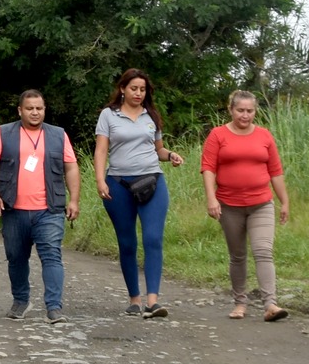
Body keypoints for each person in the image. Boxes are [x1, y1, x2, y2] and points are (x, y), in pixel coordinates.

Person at [94, 68, 186, 319]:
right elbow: (101, 150)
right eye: (134, 88)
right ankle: (134, 299)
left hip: (152, 181)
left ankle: (153, 301)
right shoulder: (108, 115)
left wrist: (171, 155)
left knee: (153, 238)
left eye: (143, 89)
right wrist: (100, 180)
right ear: (122, 89)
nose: (138, 93)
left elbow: (159, 150)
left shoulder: (151, 115)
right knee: (127, 243)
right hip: (118, 184)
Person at [0, 89, 80, 322]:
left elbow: (71, 167)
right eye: (29, 108)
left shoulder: (58, 135)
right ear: (20, 110)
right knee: (16, 258)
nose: (35, 112)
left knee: (52, 256)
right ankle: (20, 301)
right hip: (13, 209)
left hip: (49, 210)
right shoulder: (3, 132)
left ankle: (54, 307)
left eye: (39, 108)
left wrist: (74, 200)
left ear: (44, 110)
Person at [200, 90, 291, 321]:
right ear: (230, 110)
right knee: (238, 255)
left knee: (263, 252)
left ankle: (270, 304)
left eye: (250, 111)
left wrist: (284, 201)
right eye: (240, 110)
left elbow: (275, 171)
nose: (245, 115)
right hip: (229, 205)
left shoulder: (264, 136)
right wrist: (211, 198)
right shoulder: (218, 135)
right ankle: (240, 303)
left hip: (261, 204)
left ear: (255, 111)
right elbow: (208, 168)